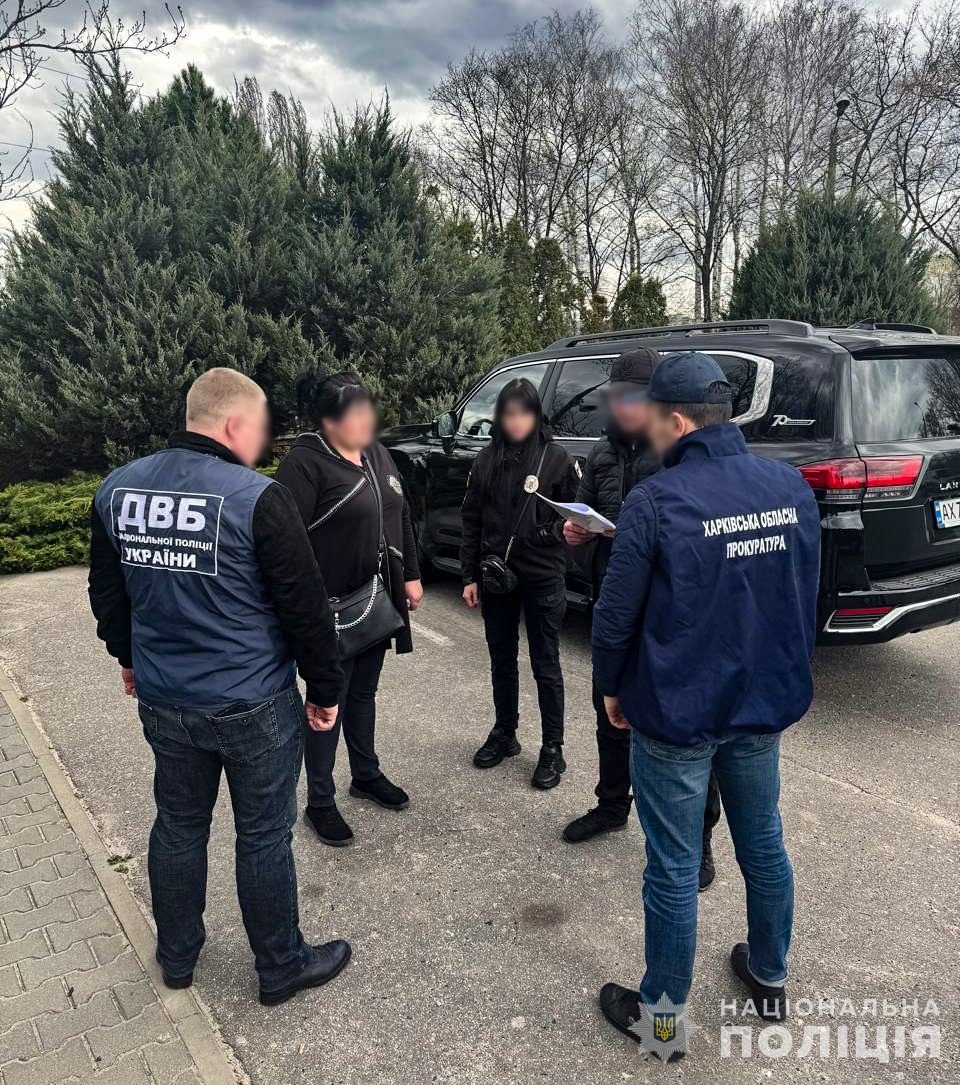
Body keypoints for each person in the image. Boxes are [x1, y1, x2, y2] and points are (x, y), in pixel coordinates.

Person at [88, 368, 351, 1007]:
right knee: (263, 833)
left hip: (166, 699)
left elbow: (108, 592)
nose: (263, 444)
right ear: (233, 424)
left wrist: (128, 657)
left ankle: (177, 956)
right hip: (251, 702)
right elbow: (305, 607)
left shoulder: (118, 489)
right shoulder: (257, 498)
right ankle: (281, 965)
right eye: (260, 430)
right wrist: (325, 689)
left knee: (179, 823)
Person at [592, 351, 820, 1041]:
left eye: (655, 419)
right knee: (763, 840)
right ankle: (770, 975)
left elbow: (614, 616)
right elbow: (802, 592)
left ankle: (662, 1020)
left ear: (680, 422)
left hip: (678, 712)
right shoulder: (789, 487)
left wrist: (611, 687)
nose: (648, 430)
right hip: (758, 703)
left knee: (673, 865)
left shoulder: (655, 500)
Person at [561, 350, 723, 892]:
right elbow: (582, 511)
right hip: (614, 602)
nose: (621, 405)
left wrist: (637, 534)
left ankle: (699, 839)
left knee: (685, 733)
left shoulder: (676, 453)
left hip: (668, 614)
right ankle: (612, 805)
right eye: (615, 395)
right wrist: (576, 533)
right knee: (608, 713)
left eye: (631, 395)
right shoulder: (601, 451)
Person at [275, 370, 423, 848]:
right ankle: (319, 800)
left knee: (364, 692)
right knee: (328, 701)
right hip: (329, 607)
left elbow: (400, 513)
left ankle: (366, 774)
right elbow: (282, 542)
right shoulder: (305, 464)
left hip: (375, 598)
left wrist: (411, 573)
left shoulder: (375, 452)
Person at [460, 377, 579, 789]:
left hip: (543, 575)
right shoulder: (485, 459)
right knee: (502, 659)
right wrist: (469, 575)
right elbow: (472, 519)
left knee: (546, 664)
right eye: (509, 414)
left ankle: (553, 748)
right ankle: (504, 732)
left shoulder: (556, 458)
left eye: (524, 413)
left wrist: (550, 534)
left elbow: (574, 518)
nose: (516, 421)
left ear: (536, 414)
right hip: (497, 575)